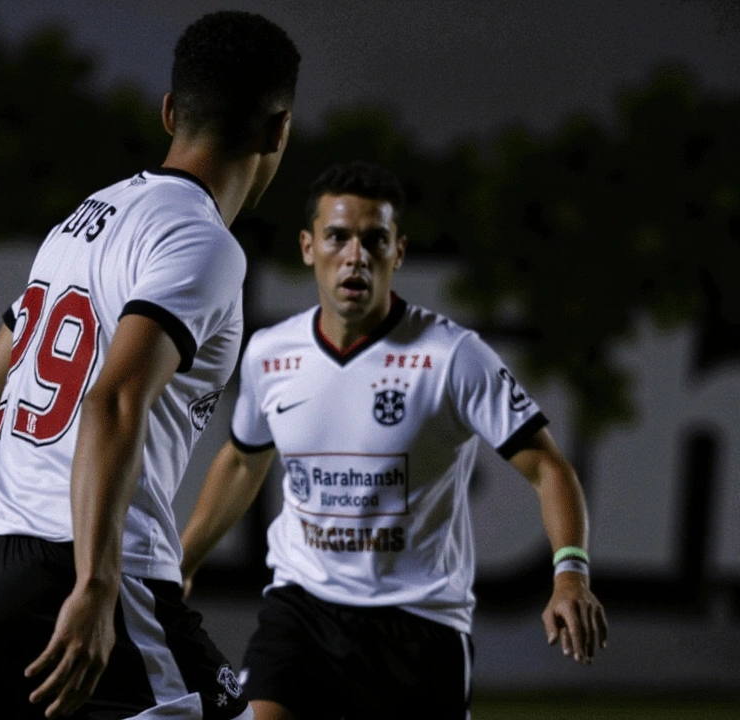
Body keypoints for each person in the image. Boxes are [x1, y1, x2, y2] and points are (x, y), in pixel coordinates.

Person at [0, 11, 301, 720]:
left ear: (170, 112)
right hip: (82, 560)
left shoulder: (87, 218)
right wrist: (97, 585)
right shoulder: (203, 243)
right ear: (278, 131)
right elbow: (113, 399)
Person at [178, 161, 610, 719]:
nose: (354, 255)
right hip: (302, 611)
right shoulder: (270, 353)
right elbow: (241, 460)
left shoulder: (452, 357)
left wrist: (570, 572)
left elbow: (550, 467)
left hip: (420, 625)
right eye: (337, 236)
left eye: (373, 239)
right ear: (308, 247)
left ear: (397, 253)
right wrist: (182, 560)